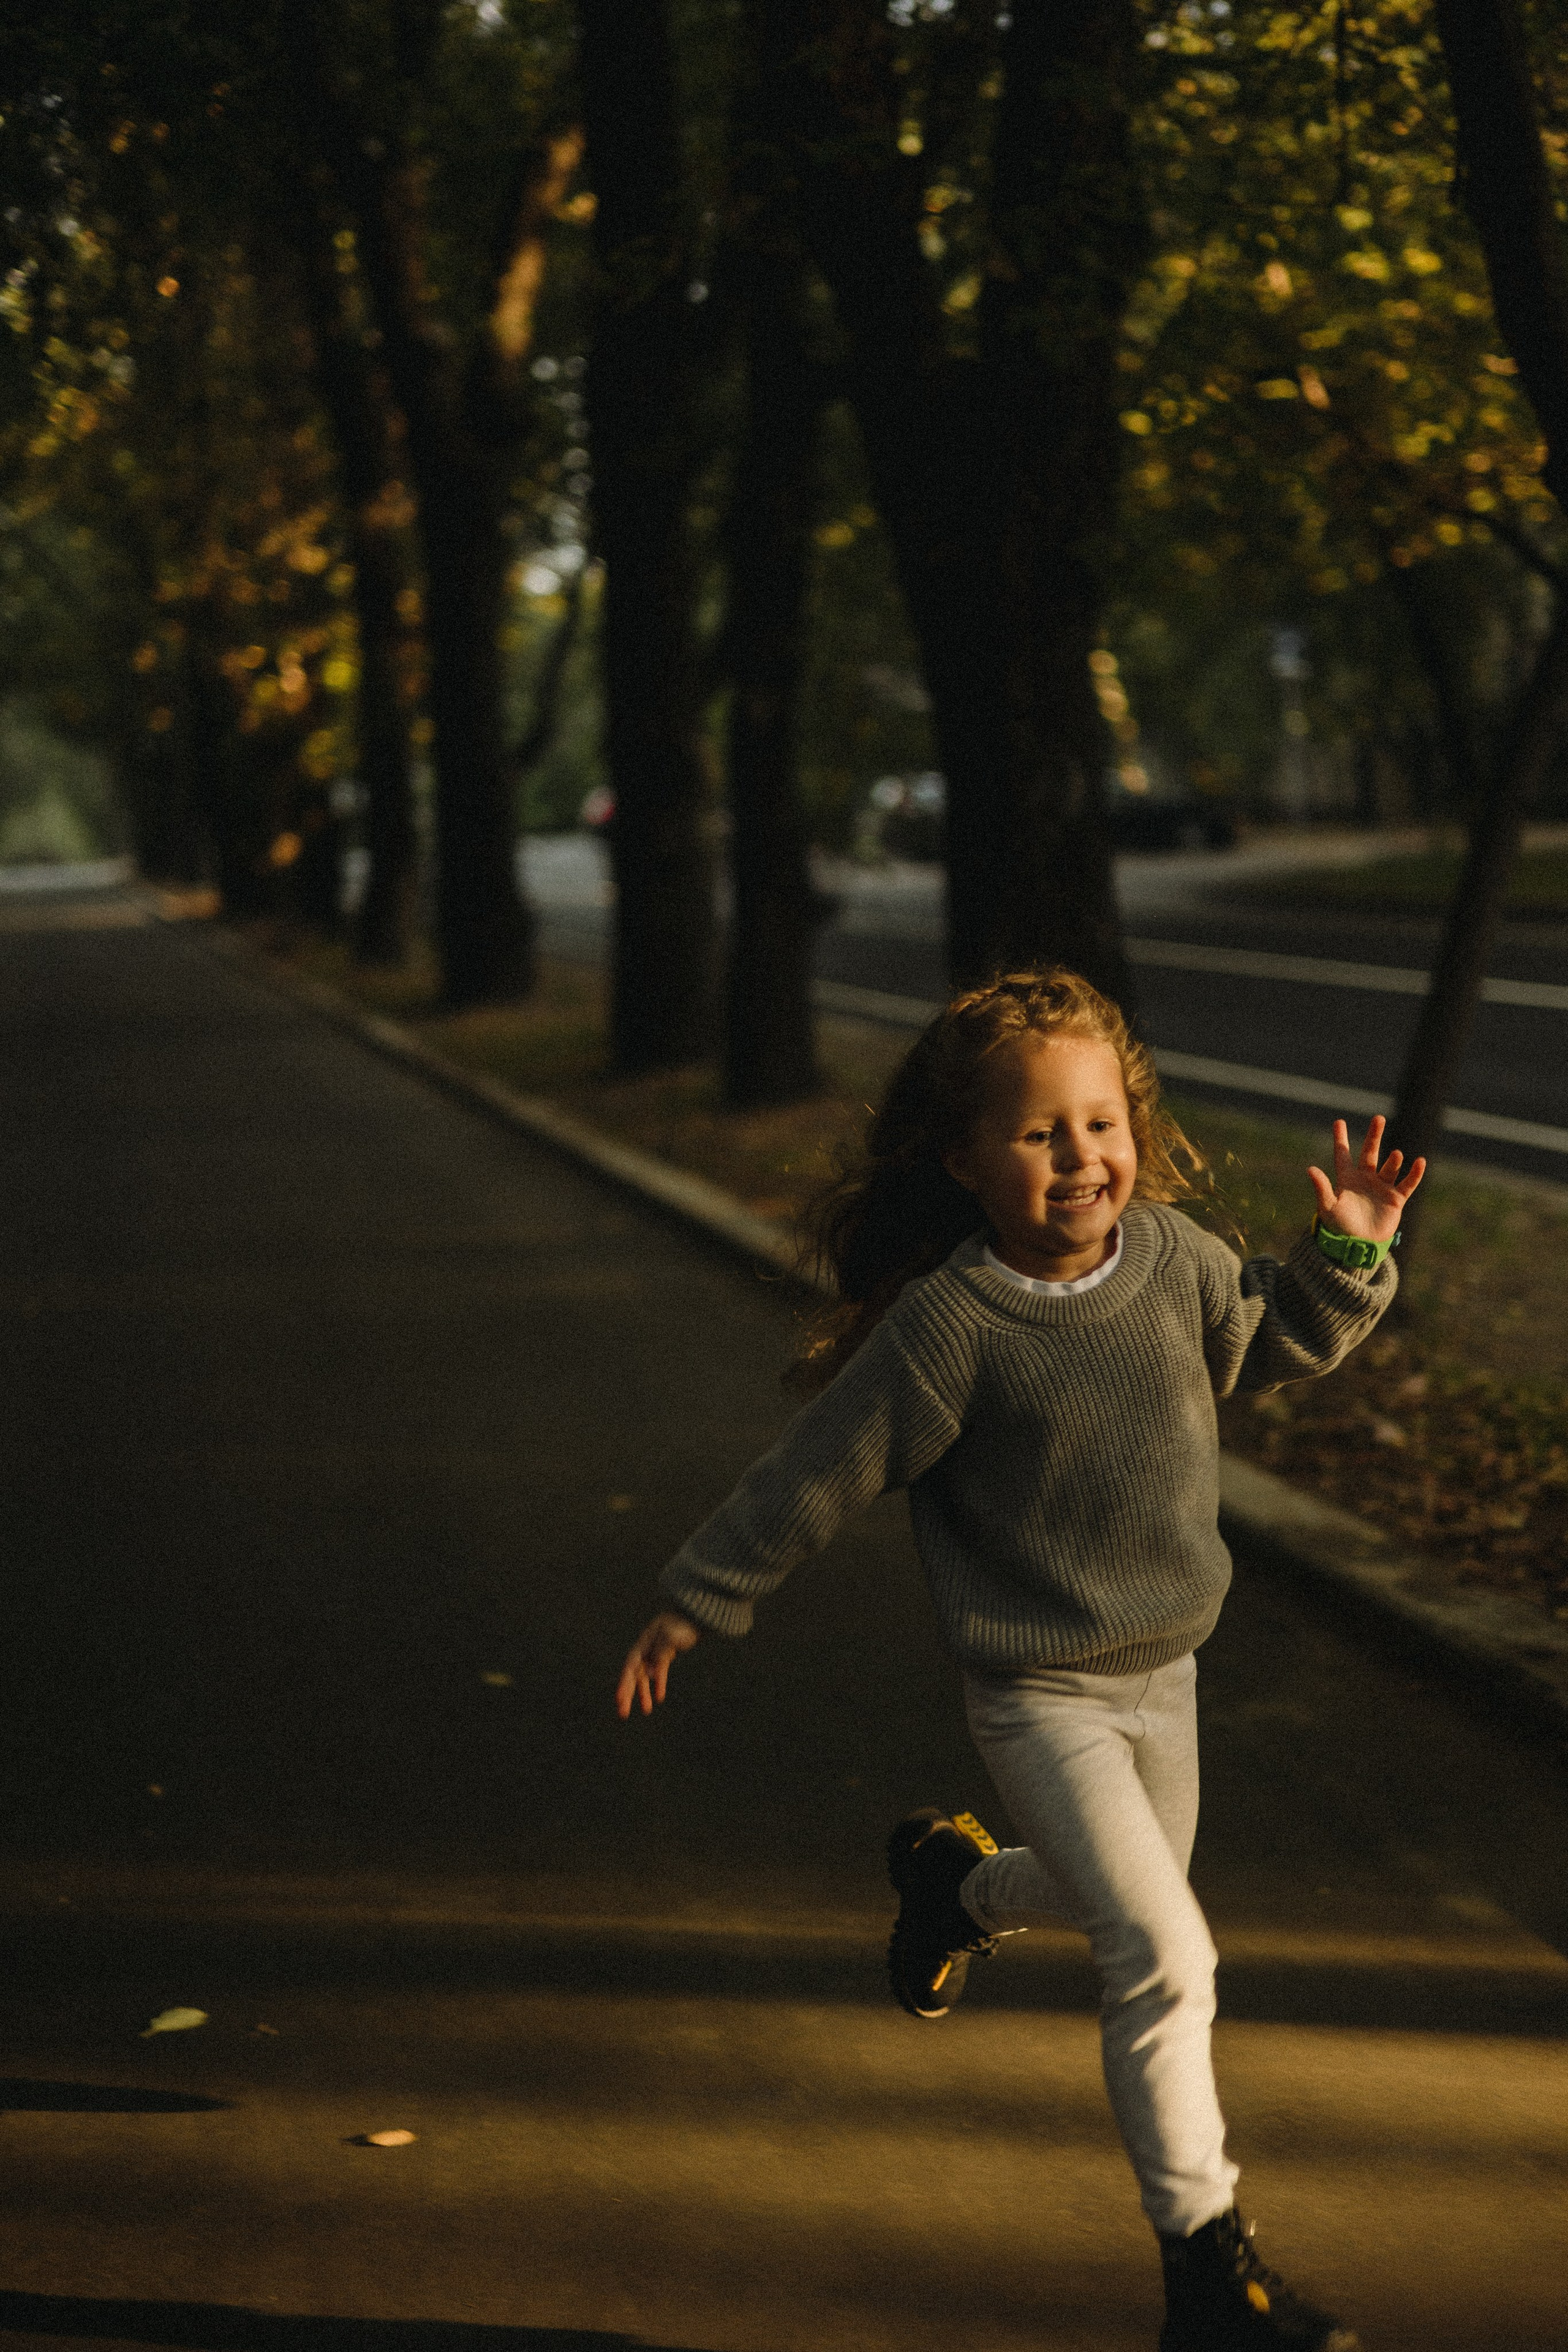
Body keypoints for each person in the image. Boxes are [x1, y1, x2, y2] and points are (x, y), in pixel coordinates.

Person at [616, 967, 1423, 2352]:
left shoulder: (1172, 1260)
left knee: (1108, 1898)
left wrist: (1345, 1253)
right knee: (1164, 1954)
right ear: (966, 1162)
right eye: (1041, 1134)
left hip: (1164, 1674)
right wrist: (700, 1594)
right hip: (1040, 1694)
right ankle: (1207, 2277)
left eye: (1101, 1124)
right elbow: (816, 1467)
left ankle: (952, 1889)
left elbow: (1274, 1335)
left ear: (1134, 1128)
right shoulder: (950, 1329)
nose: (1081, 1157)